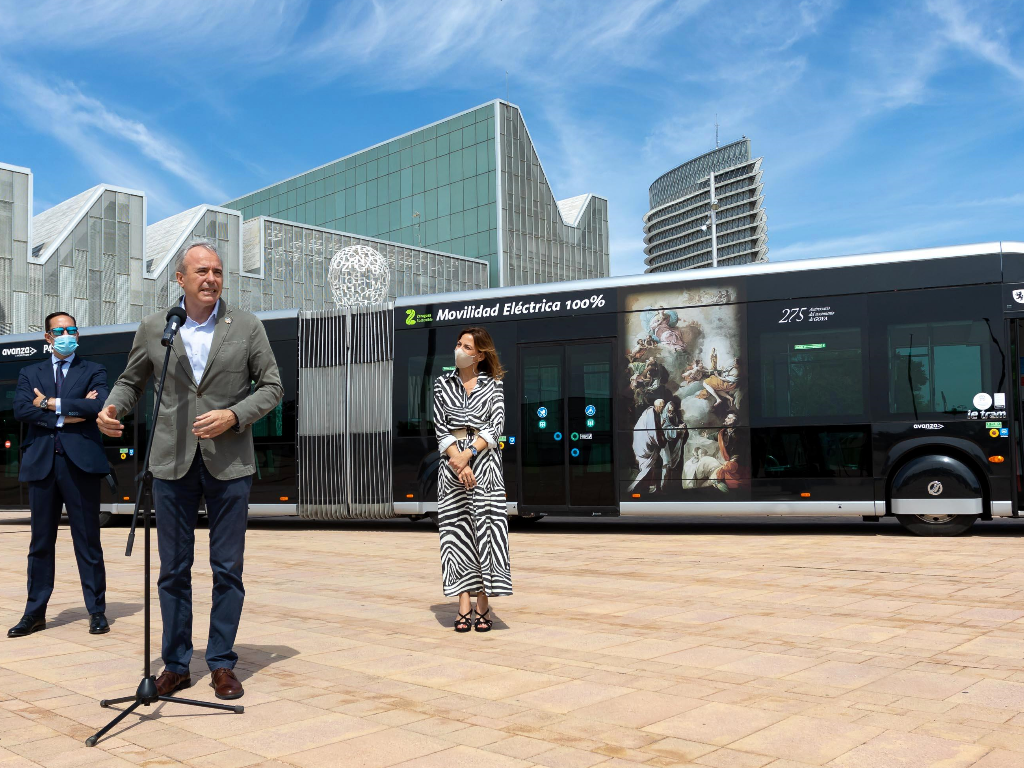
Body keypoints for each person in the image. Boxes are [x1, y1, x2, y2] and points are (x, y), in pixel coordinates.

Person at [97, 238, 282, 700]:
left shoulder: (247, 326)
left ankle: (221, 663)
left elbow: (273, 386)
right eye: (202, 271)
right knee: (172, 570)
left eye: (218, 271)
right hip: (170, 462)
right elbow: (130, 380)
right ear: (180, 279)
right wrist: (112, 408)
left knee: (227, 569)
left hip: (230, 463)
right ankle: (176, 664)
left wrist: (234, 415)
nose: (212, 279)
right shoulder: (157, 326)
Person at [8, 313, 110, 638]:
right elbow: (22, 410)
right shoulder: (29, 371)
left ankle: (97, 611)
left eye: (72, 329)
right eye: (59, 330)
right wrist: (68, 414)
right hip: (42, 464)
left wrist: (49, 404)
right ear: (48, 337)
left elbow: (99, 407)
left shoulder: (93, 370)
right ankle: (34, 613)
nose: (67, 334)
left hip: (80, 465)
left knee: (88, 542)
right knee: (40, 543)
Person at [433, 327, 510, 633]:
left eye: (466, 346)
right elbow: (440, 427)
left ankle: (483, 602)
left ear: (479, 354)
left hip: (485, 467)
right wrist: (458, 459)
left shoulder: (494, 385)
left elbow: (496, 425)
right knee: (456, 535)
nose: (459, 349)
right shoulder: (441, 384)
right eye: (458, 344)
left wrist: (468, 456)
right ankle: (463, 602)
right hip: (451, 468)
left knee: (486, 535)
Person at [629, 399, 666, 494]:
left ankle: (655, 487)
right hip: (644, 447)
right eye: (662, 407)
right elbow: (652, 432)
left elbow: (654, 428)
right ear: (658, 406)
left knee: (657, 463)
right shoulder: (650, 414)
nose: (663, 409)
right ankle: (651, 488)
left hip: (645, 445)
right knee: (654, 465)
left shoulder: (651, 412)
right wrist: (662, 442)